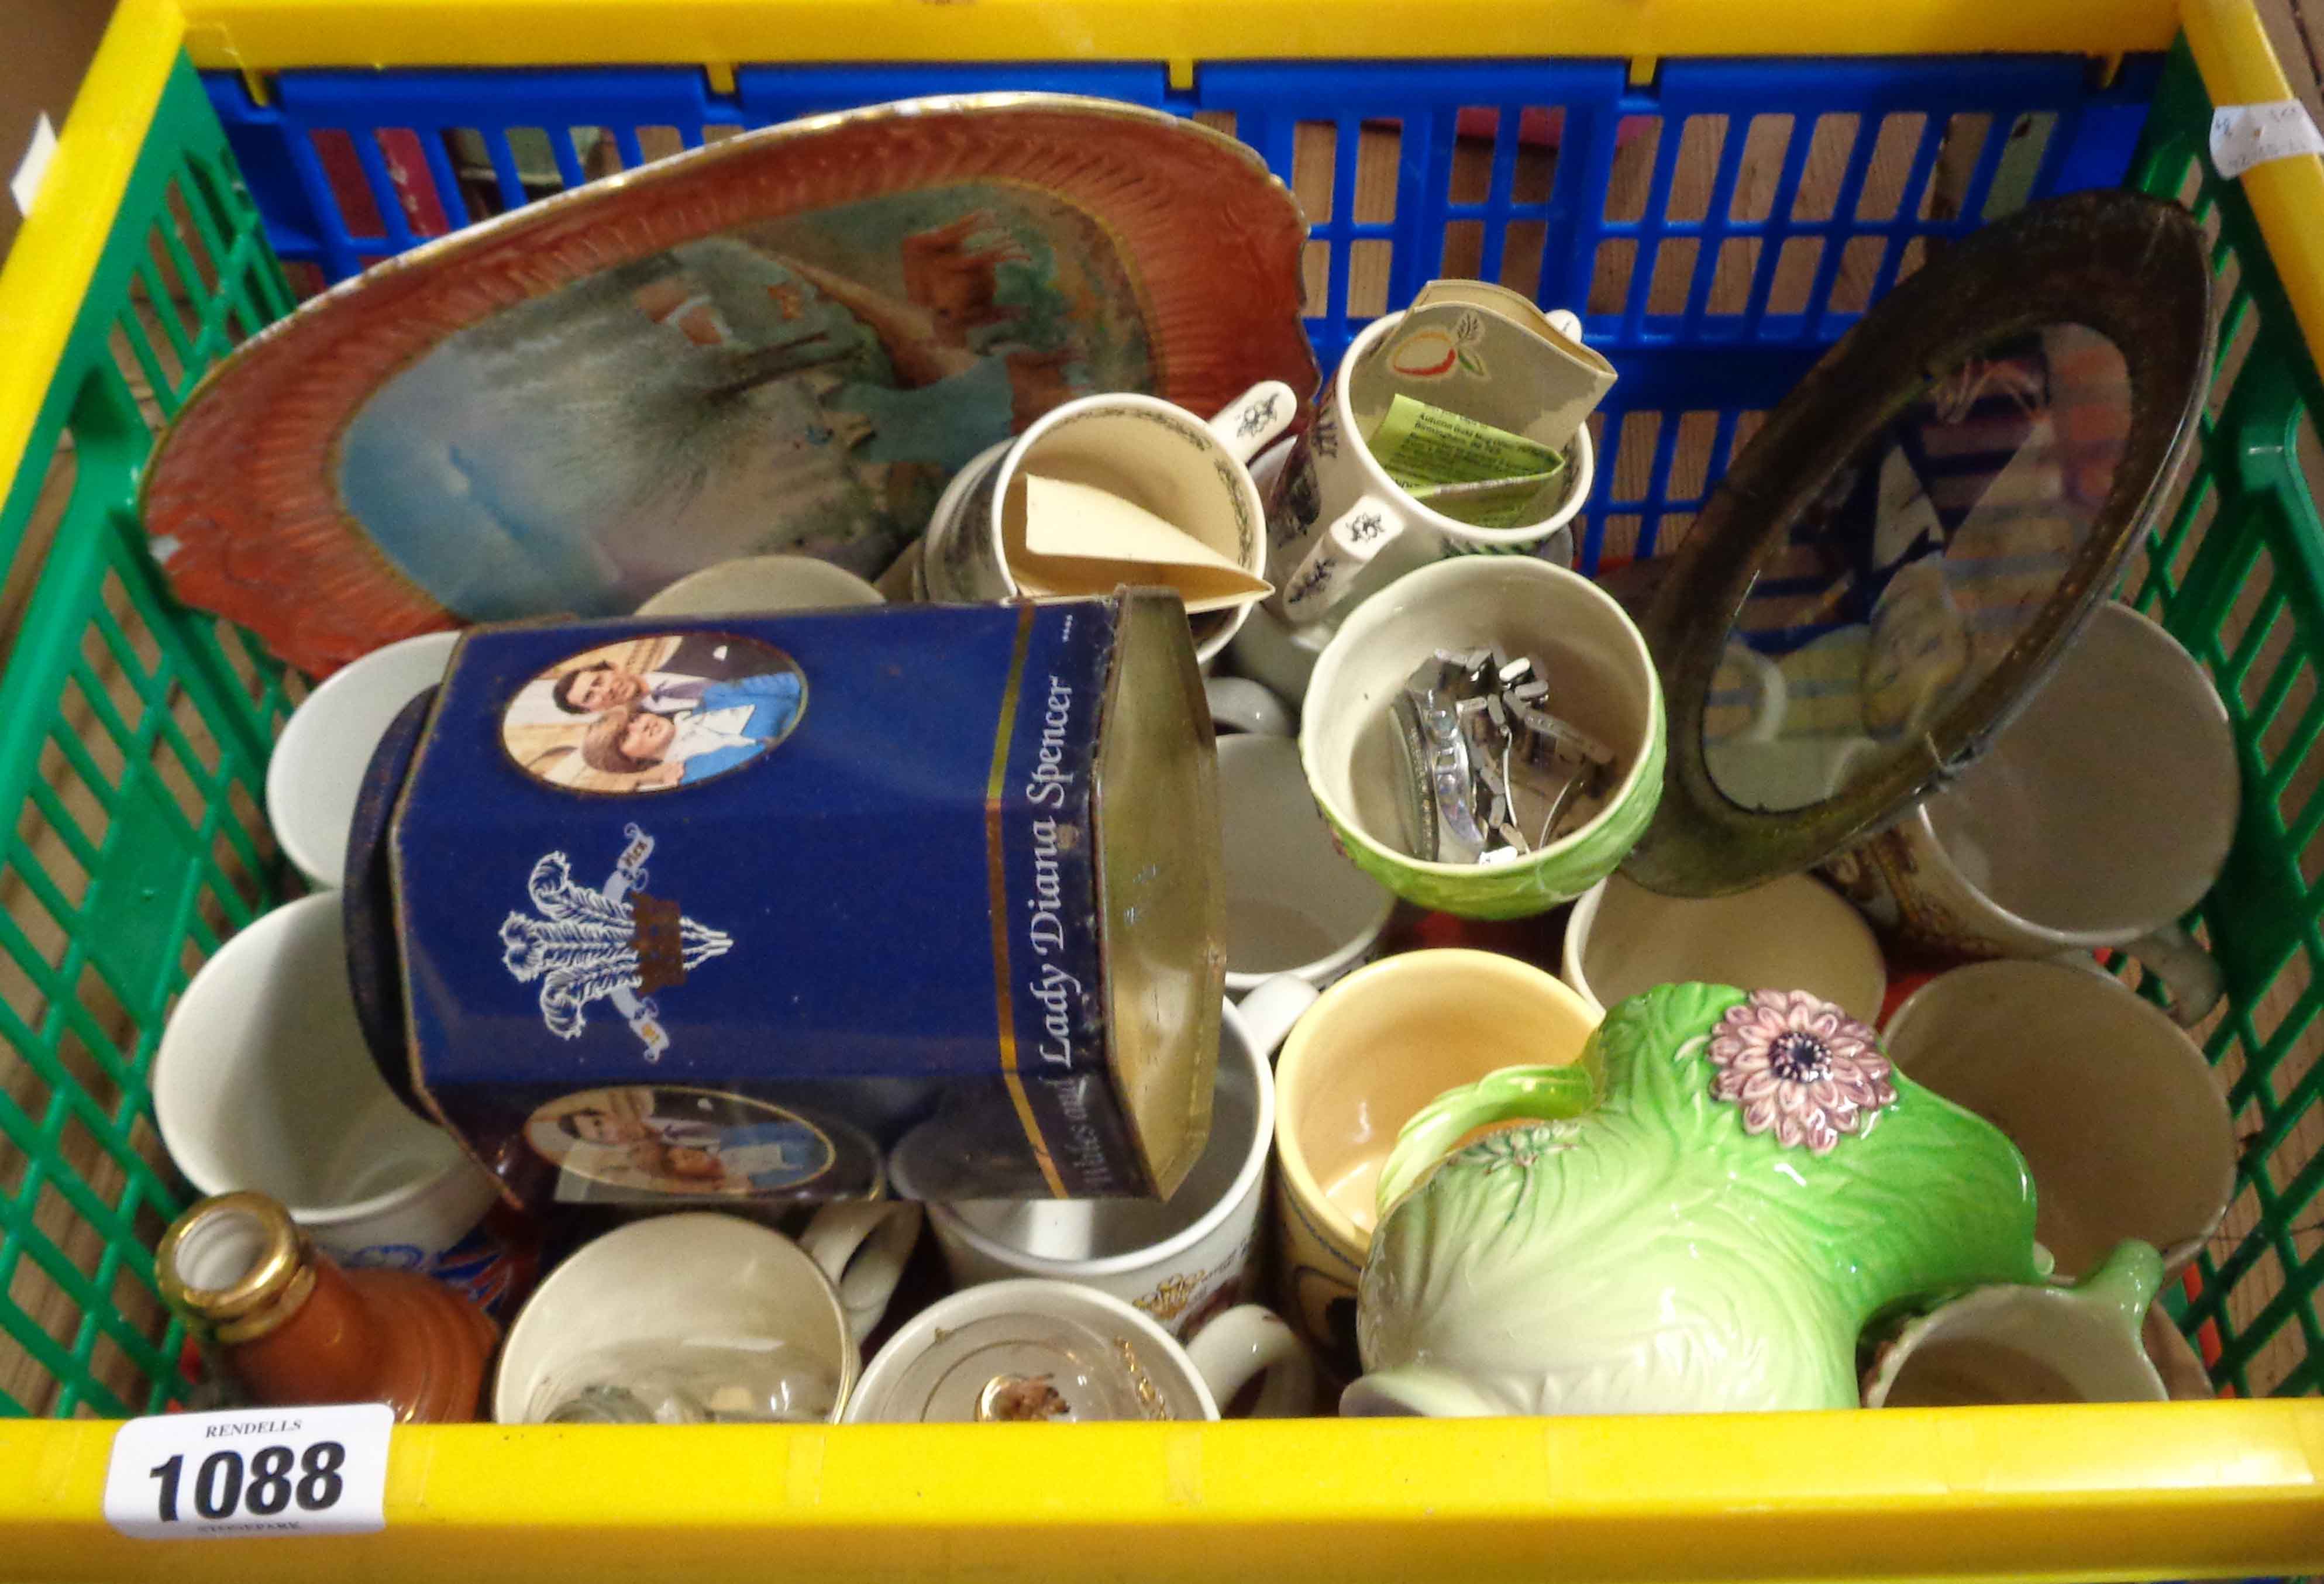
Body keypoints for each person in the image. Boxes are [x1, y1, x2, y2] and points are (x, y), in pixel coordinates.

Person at [578, 669, 803, 788]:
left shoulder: (717, 695)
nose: (641, 725)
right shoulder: (689, 782)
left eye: (635, 718)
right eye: (626, 736)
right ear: (630, 761)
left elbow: (799, 683)